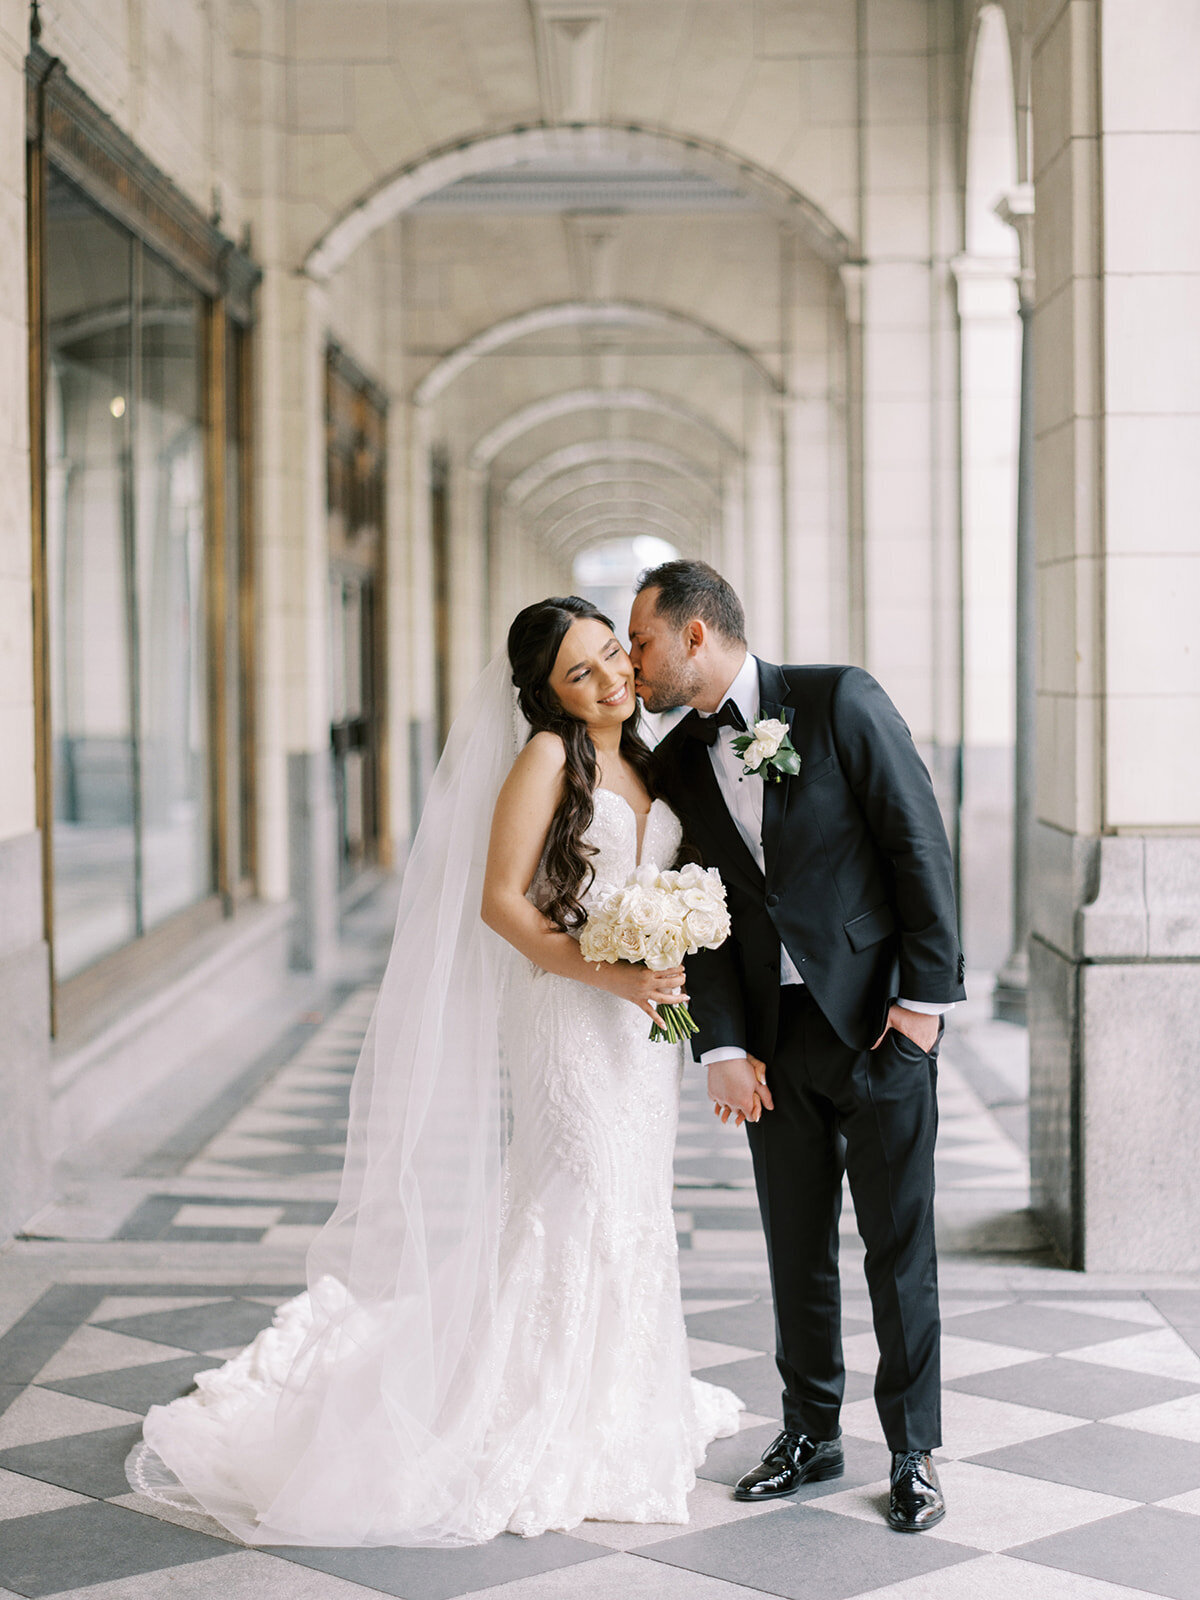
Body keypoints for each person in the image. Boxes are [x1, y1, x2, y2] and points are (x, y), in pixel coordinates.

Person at [126, 596, 741, 1547]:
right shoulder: (547, 760)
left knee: (631, 1201)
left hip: (634, 1026)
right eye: (581, 673)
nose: (611, 678)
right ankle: (532, 1411)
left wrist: (666, 952)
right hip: (568, 1016)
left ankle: (617, 1402)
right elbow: (500, 903)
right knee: (572, 1194)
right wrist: (609, 972)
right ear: (546, 693)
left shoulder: (653, 755)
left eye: (614, 655)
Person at [630, 560, 964, 1534]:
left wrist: (922, 1008)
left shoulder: (838, 699)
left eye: (642, 640)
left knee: (900, 1248)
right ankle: (810, 1432)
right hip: (771, 1047)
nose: (635, 661)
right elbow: (708, 913)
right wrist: (718, 1045)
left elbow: (917, 841)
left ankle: (913, 1449)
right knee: (794, 1247)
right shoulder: (680, 755)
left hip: (876, 1026)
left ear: (696, 635)